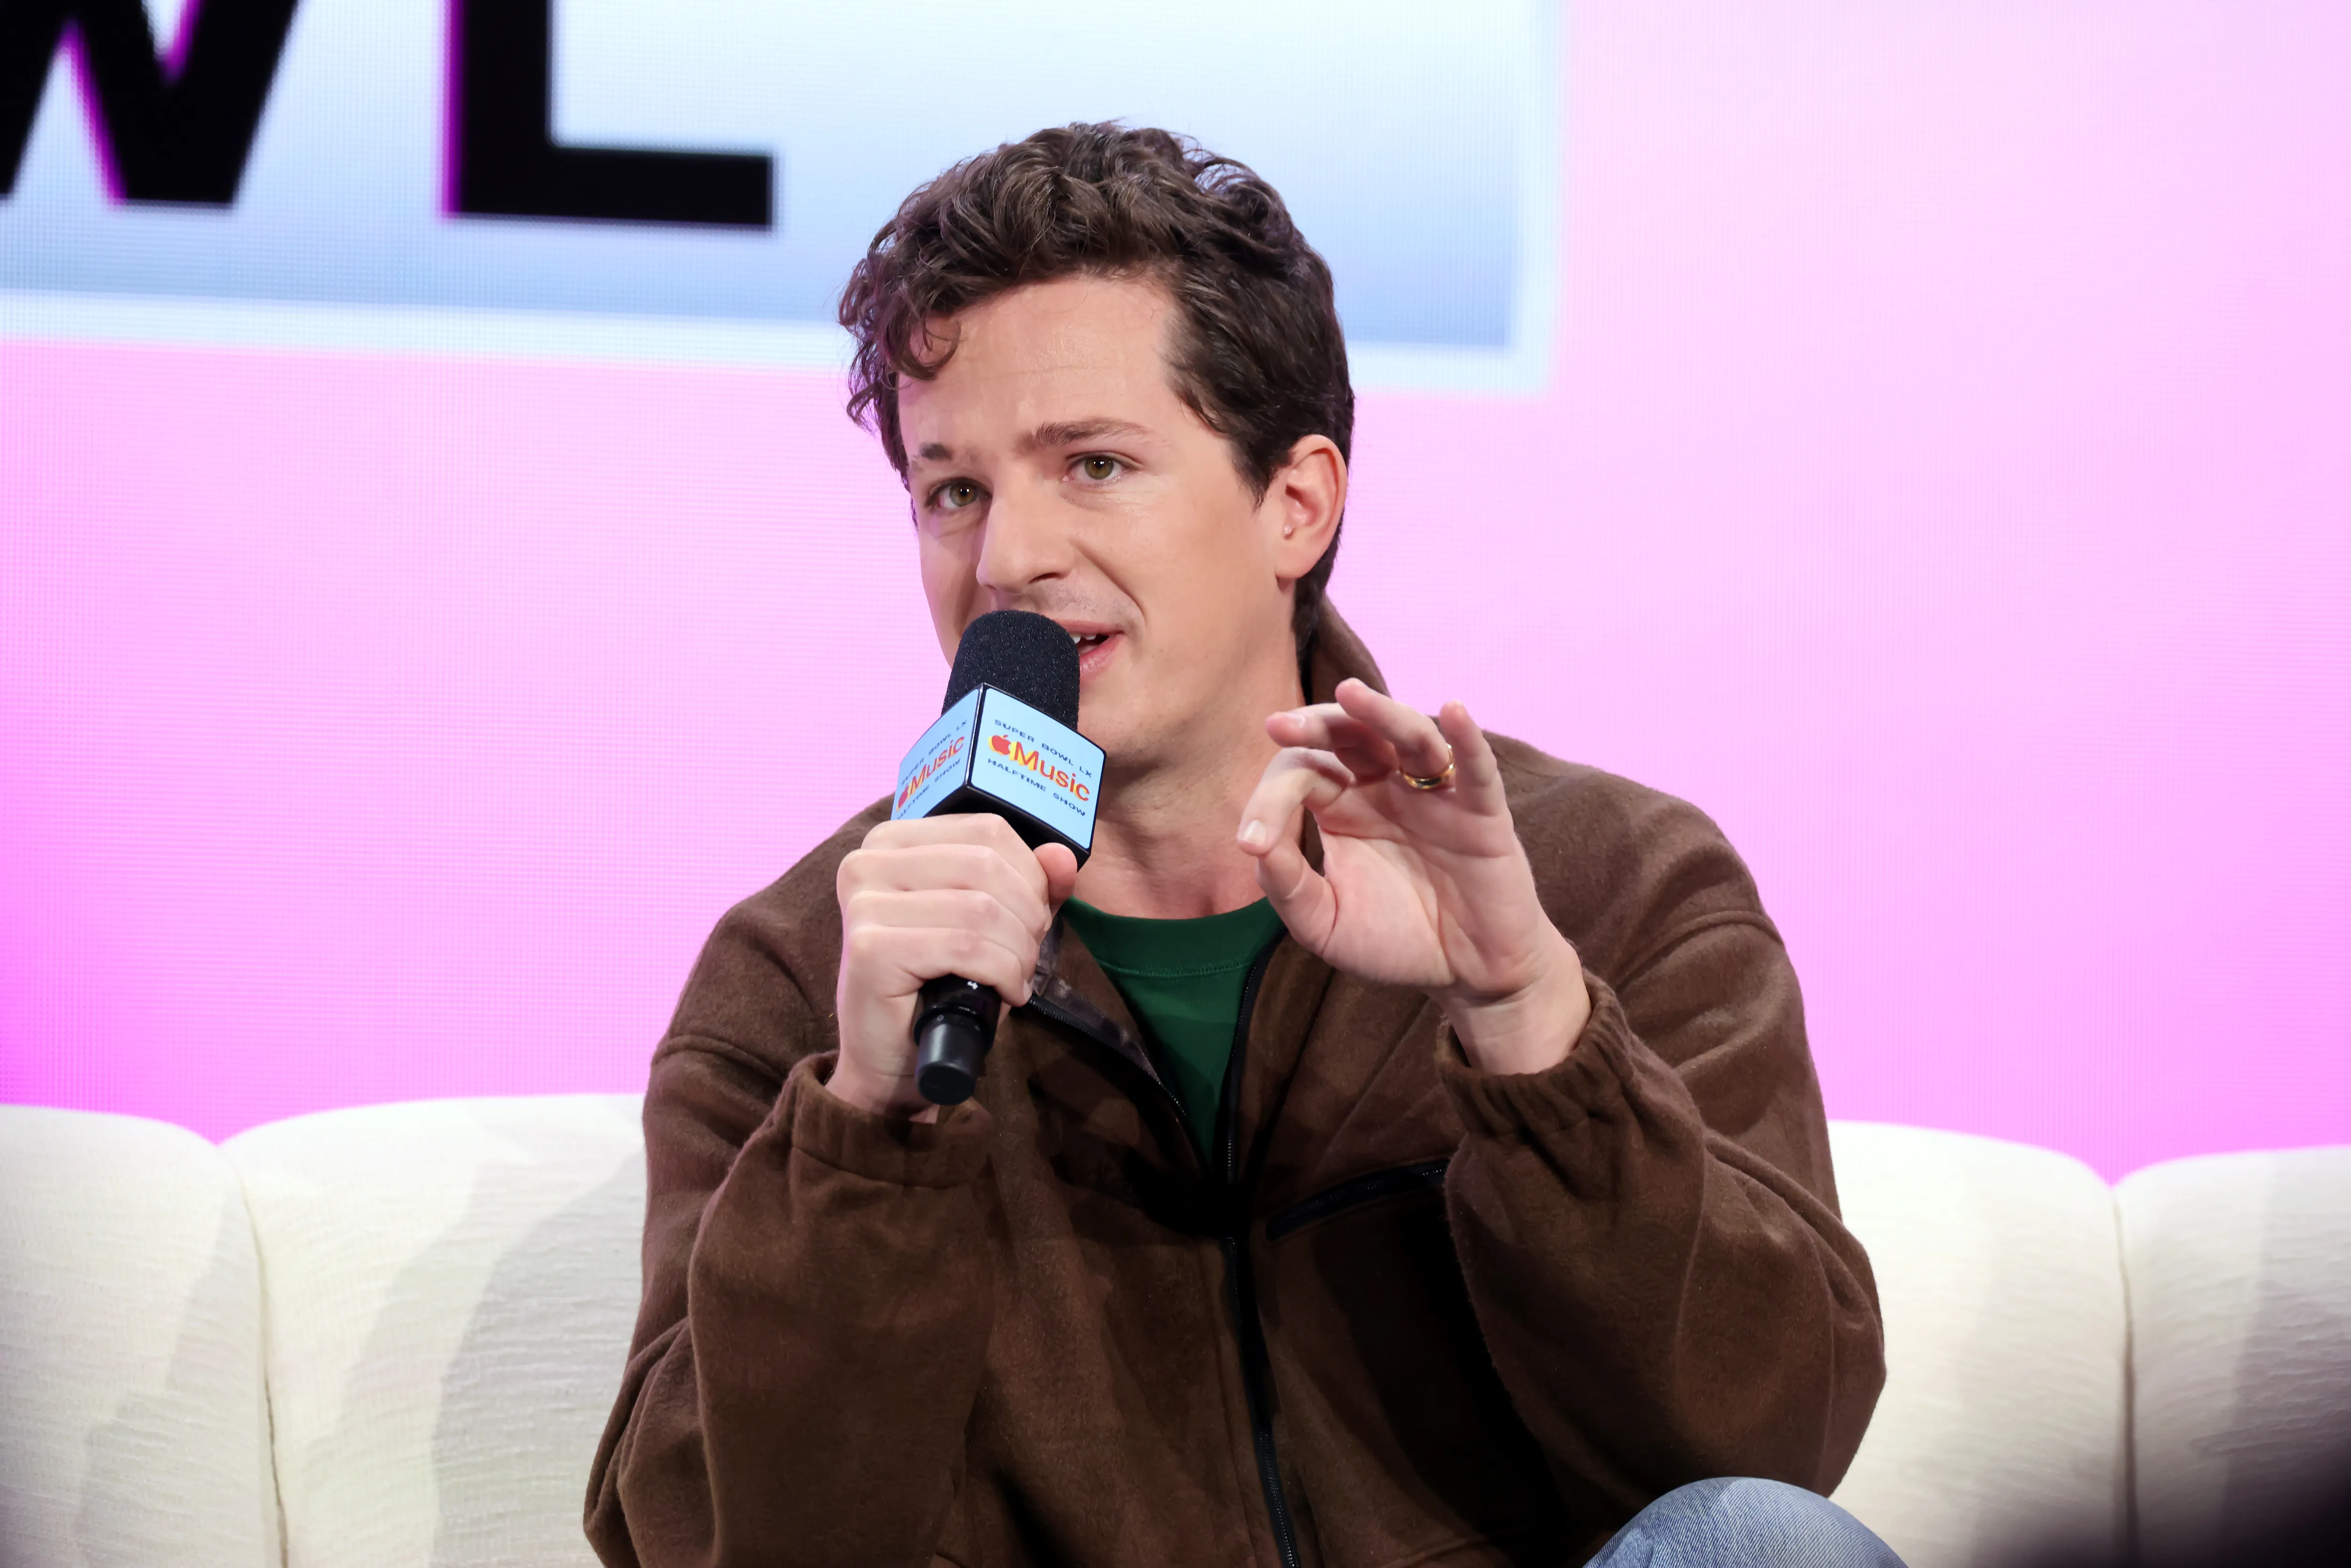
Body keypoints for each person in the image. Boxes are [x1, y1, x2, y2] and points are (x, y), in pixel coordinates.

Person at [586, 123, 1894, 1568]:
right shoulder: (813, 970)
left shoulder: (1607, 882)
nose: (1007, 556)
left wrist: (1530, 1023)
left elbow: (1769, 1445)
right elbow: (699, 1542)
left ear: (1297, 503)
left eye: (1093, 464)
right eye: (953, 490)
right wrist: (873, 1129)